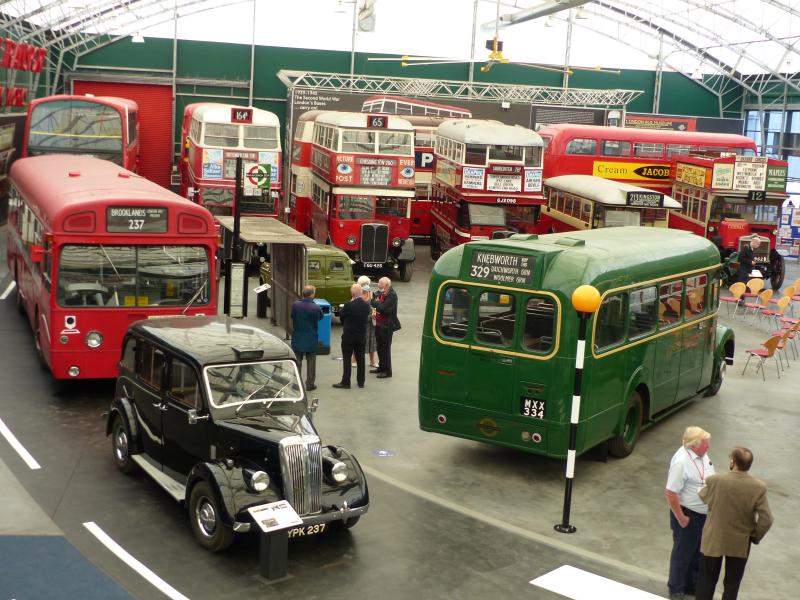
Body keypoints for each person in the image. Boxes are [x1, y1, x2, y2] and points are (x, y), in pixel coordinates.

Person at [695, 447, 773, 600]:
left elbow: (703, 496)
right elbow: (767, 519)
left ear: (732, 461)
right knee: (732, 585)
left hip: (713, 539)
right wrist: (754, 536)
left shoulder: (716, 481)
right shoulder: (758, 487)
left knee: (706, 581)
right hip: (740, 543)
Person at [664, 426, 716, 600]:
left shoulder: (702, 455)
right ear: (694, 445)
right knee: (682, 553)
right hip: (688, 515)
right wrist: (681, 518)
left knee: (695, 553)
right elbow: (671, 493)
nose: (708, 447)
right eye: (705, 444)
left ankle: (690, 585)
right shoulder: (681, 462)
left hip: (702, 516)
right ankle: (676, 588)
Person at [334, 283, 371, 389]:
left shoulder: (349, 305)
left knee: (347, 359)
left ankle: (346, 382)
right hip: (361, 335)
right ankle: (361, 382)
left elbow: (341, 315)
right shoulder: (366, 305)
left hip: (349, 336)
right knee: (361, 359)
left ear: (352, 293)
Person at [290, 285, 323, 391]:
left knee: (297, 361)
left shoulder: (295, 305)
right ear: (312, 294)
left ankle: (296, 384)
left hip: (298, 337)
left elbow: (292, 316)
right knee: (311, 362)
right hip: (311, 338)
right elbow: (320, 317)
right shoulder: (316, 307)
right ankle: (310, 384)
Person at [370, 276, 401, 379]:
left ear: (387, 285)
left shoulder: (392, 295)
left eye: (380, 284)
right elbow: (373, 300)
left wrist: (377, 303)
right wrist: (378, 303)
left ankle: (387, 371)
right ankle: (381, 367)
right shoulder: (381, 292)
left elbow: (383, 309)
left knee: (385, 348)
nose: (379, 286)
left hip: (387, 326)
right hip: (379, 324)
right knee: (379, 347)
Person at [352, 276, 378, 369]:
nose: (366, 286)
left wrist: (375, 312)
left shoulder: (372, 294)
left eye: (367, 284)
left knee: (372, 342)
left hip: (371, 322)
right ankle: (354, 360)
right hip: (361, 323)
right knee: (359, 342)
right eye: (363, 284)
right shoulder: (357, 296)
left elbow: (376, 305)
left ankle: (372, 361)